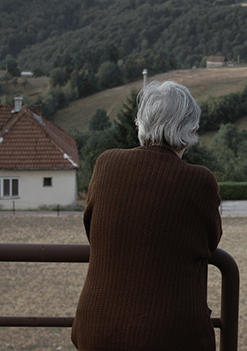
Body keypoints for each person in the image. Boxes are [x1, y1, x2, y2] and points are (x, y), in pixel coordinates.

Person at [72, 81, 222, 351]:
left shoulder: (105, 164)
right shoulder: (200, 180)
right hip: (171, 336)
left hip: (96, 330)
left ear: (140, 123)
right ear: (192, 129)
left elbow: (92, 228)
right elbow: (210, 242)